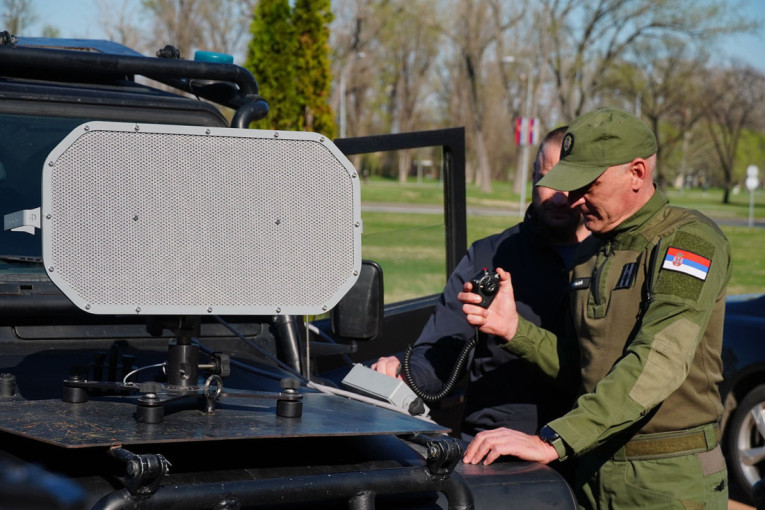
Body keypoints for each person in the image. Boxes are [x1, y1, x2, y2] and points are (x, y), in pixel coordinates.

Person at [459, 107, 731, 509]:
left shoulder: (687, 242)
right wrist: (516, 331)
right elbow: (582, 369)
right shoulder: (591, 255)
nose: (573, 199)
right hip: (590, 473)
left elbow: (659, 362)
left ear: (637, 173)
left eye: (587, 184)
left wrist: (552, 440)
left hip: (665, 481)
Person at [371, 126, 594, 438]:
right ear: (532, 176)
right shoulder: (489, 254)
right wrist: (404, 372)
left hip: (581, 442)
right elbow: (444, 347)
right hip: (492, 441)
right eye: (547, 179)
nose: (557, 196)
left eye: (567, 183)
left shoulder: (612, 258)